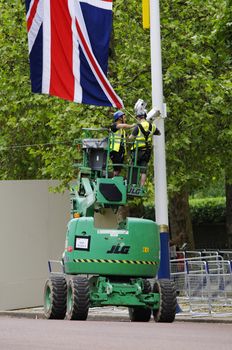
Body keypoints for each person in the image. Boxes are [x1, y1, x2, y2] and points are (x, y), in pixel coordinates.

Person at [129, 103, 161, 186]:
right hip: (147, 151)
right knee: (143, 169)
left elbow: (131, 138)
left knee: (133, 166)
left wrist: (131, 132)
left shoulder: (138, 126)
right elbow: (159, 133)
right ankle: (141, 186)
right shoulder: (152, 126)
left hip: (137, 151)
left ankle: (133, 184)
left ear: (138, 118)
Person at [110, 110, 134, 176]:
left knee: (119, 169)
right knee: (116, 169)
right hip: (115, 150)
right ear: (120, 118)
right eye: (124, 117)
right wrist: (132, 126)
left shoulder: (122, 130)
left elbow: (128, 138)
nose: (125, 119)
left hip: (121, 150)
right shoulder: (114, 126)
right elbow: (123, 125)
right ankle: (113, 181)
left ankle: (115, 181)